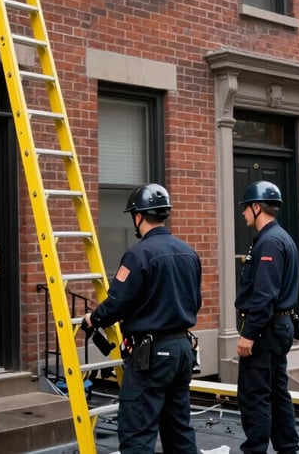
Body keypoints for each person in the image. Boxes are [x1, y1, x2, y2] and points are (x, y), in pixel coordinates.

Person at [84, 183, 201, 453]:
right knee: (179, 430)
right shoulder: (189, 252)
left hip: (151, 356)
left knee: (137, 433)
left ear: (138, 216)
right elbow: (196, 303)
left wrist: (93, 319)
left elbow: (117, 303)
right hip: (183, 350)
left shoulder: (138, 254)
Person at [235, 180, 299, 454]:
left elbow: (264, 295)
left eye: (246, 208)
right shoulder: (280, 237)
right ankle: (287, 447)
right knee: (276, 391)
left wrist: (248, 333)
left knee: (255, 395)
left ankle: (255, 450)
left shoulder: (270, 242)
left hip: (266, 329)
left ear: (257, 207)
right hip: (279, 325)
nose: (243, 213)